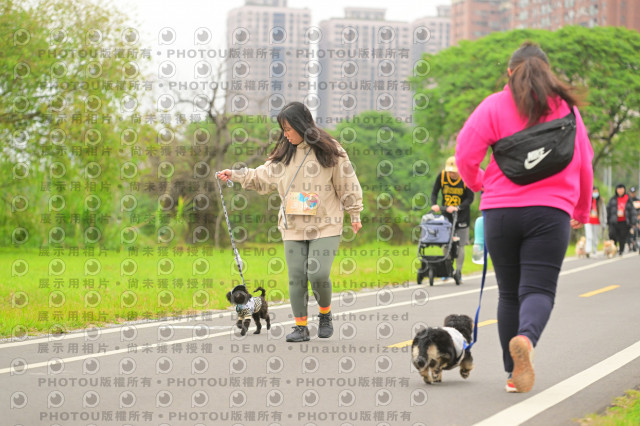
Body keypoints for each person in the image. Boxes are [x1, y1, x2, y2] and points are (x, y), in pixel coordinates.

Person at [455, 42, 593, 393]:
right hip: (550, 212)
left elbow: (465, 155)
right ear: (547, 72)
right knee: (538, 290)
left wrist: (481, 183)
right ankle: (526, 341)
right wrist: (580, 209)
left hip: (500, 212)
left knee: (509, 293)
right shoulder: (567, 110)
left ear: (509, 72)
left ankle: (511, 374)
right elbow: (584, 164)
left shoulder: (493, 105)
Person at [217, 102, 363, 342]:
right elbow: (261, 175)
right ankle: (300, 327)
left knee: (318, 273)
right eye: (283, 129)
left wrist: (354, 212)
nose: (285, 134)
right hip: (293, 224)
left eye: (288, 129)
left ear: (301, 125)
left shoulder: (330, 149)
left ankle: (325, 314)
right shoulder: (284, 153)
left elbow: (347, 182)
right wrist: (236, 174)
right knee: (296, 276)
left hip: (326, 223)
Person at [430, 156, 475, 283]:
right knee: (446, 243)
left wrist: (458, 207)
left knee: (460, 245)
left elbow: (470, 198)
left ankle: (458, 272)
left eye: (454, 171)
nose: (452, 174)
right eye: (450, 171)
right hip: (446, 215)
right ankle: (447, 270)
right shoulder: (442, 176)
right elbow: (434, 192)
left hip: (462, 216)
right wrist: (434, 204)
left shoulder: (465, 178)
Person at [606, 184, 637, 255]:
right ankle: (614, 248)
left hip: (624, 221)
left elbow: (632, 211)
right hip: (614, 221)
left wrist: (633, 221)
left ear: (624, 190)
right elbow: (608, 210)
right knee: (612, 235)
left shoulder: (628, 199)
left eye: (621, 189)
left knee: (622, 236)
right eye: (619, 189)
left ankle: (621, 250)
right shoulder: (613, 199)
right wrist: (608, 220)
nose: (620, 191)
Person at [584, 186, 606, 258]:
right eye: (593, 192)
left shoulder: (601, 201)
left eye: (596, 192)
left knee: (595, 237)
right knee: (589, 236)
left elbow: (604, 213)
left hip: (597, 222)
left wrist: (604, 222)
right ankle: (588, 250)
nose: (595, 193)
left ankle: (595, 250)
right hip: (588, 221)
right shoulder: (587, 199)